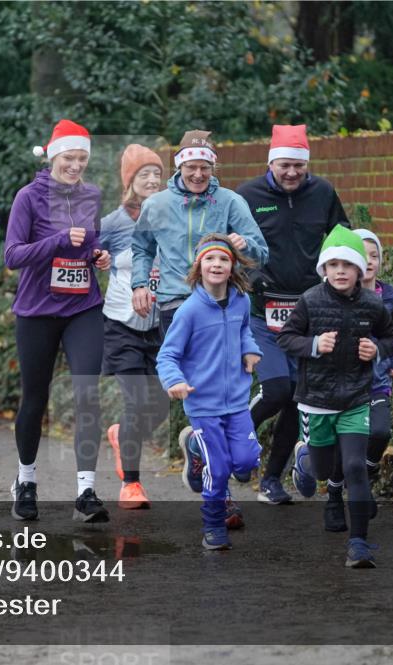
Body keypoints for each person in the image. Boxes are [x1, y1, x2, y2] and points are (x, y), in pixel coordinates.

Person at [131, 129, 267, 524]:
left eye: (204, 167)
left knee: (215, 392)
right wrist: (141, 283)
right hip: (177, 304)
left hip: (222, 303)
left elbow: (261, 252)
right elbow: (141, 248)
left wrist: (243, 247)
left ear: (213, 167)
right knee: (198, 389)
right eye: (191, 166)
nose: (198, 174)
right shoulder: (157, 204)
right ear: (179, 167)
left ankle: (201, 453)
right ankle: (217, 488)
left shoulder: (231, 202)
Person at [235, 124, 350, 505]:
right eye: (285, 165)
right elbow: (226, 244)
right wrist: (247, 279)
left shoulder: (322, 193)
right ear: (272, 163)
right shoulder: (248, 195)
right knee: (277, 389)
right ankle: (230, 439)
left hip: (306, 311)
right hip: (261, 310)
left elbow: (341, 239)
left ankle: (271, 479)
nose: (291, 173)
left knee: (295, 397)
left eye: (299, 166)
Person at [4, 119, 111, 523]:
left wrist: (99, 256)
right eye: (69, 157)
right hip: (37, 311)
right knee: (35, 398)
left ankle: (85, 491)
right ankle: (26, 481)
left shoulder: (93, 195)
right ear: (53, 158)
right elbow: (12, 255)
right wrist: (58, 242)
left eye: (82, 158)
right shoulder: (28, 198)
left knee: (87, 395)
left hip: (82, 307)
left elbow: (92, 243)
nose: (76, 165)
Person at [279, 225, 393, 568]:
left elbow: (391, 337)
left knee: (353, 468)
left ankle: (358, 544)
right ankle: (304, 458)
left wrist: (375, 349)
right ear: (324, 270)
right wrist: (314, 345)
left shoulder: (373, 304)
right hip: (316, 400)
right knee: (321, 470)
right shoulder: (310, 300)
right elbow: (286, 338)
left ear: (360, 270)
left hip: (355, 399)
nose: (341, 271)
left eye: (348, 265)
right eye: (333, 265)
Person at [156, 234, 262, 550]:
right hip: (203, 405)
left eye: (223, 259)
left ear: (233, 267)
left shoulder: (242, 301)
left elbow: (245, 329)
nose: (216, 264)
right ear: (199, 266)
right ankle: (213, 525)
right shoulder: (189, 312)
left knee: (246, 462)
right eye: (210, 259)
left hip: (238, 402)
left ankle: (194, 446)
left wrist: (250, 349)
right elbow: (167, 355)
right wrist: (173, 381)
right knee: (217, 470)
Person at [318, 228, 393, 532]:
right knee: (346, 449)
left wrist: (392, 359)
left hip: (377, 382)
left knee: (380, 433)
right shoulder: (331, 296)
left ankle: (362, 483)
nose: (369, 261)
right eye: (362, 255)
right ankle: (333, 497)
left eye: (375, 255)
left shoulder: (389, 296)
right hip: (340, 387)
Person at [98, 144, 168, 509]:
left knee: (158, 407)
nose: (153, 180)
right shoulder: (113, 223)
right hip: (121, 324)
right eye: (145, 174)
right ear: (130, 181)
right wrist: (98, 257)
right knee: (135, 401)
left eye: (157, 174)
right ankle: (132, 485)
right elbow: (88, 256)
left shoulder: (170, 216)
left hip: (158, 326)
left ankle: (120, 435)